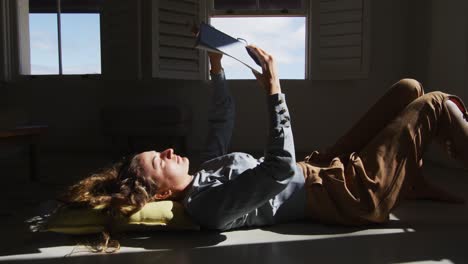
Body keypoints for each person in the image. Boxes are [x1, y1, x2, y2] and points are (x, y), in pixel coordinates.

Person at [61, 46, 468, 231]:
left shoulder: (205, 173)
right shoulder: (206, 207)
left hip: (324, 165)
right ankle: (410, 171)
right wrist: (274, 90)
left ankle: (410, 179)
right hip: (347, 195)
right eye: (160, 160)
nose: (169, 150)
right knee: (433, 104)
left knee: (407, 88)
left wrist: (216, 67)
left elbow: (221, 120)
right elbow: (279, 170)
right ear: (162, 195)